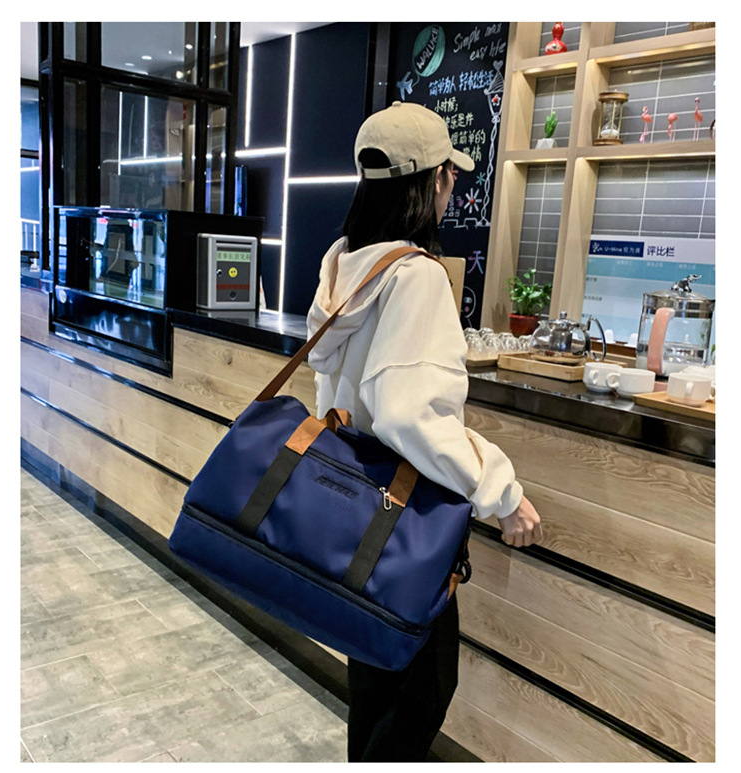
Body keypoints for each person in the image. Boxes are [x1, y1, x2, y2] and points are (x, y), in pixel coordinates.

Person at [305, 101, 543, 763]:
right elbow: (409, 413)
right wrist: (501, 492)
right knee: (424, 687)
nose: (454, 184)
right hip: (400, 516)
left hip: (351, 504)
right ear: (431, 180)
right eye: (449, 173)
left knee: (375, 674)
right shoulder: (417, 277)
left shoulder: (346, 265)